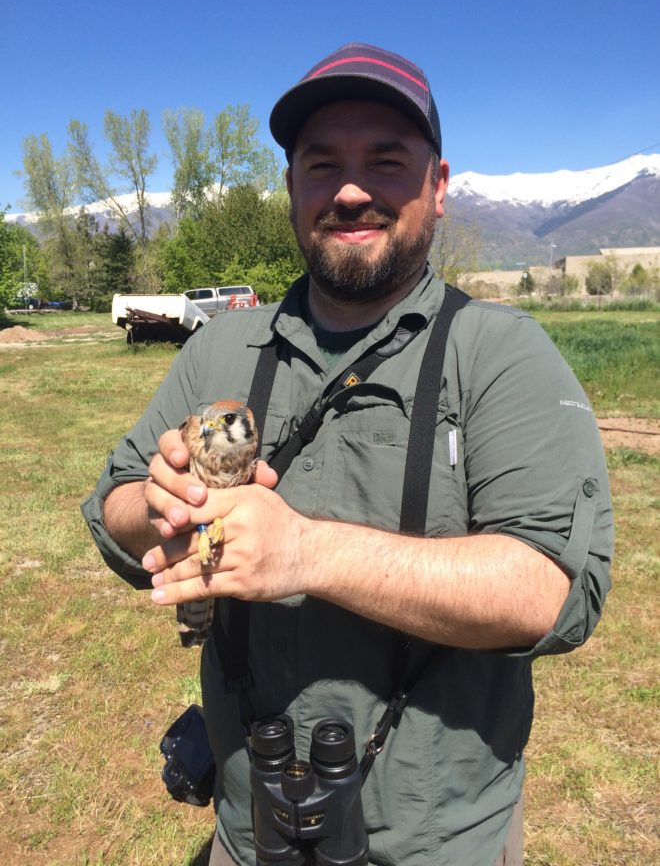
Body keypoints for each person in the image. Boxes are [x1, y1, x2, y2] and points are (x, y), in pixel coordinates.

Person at [82, 43, 613, 866]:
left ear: (438, 189)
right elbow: (113, 503)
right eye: (322, 163)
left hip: (439, 843)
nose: (351, 189)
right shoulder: (219, 350)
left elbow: (553, 590)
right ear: (292, 188)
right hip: (249, 822)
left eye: (387, 163)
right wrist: (160, 514)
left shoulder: (501, 353)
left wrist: (308, 553)